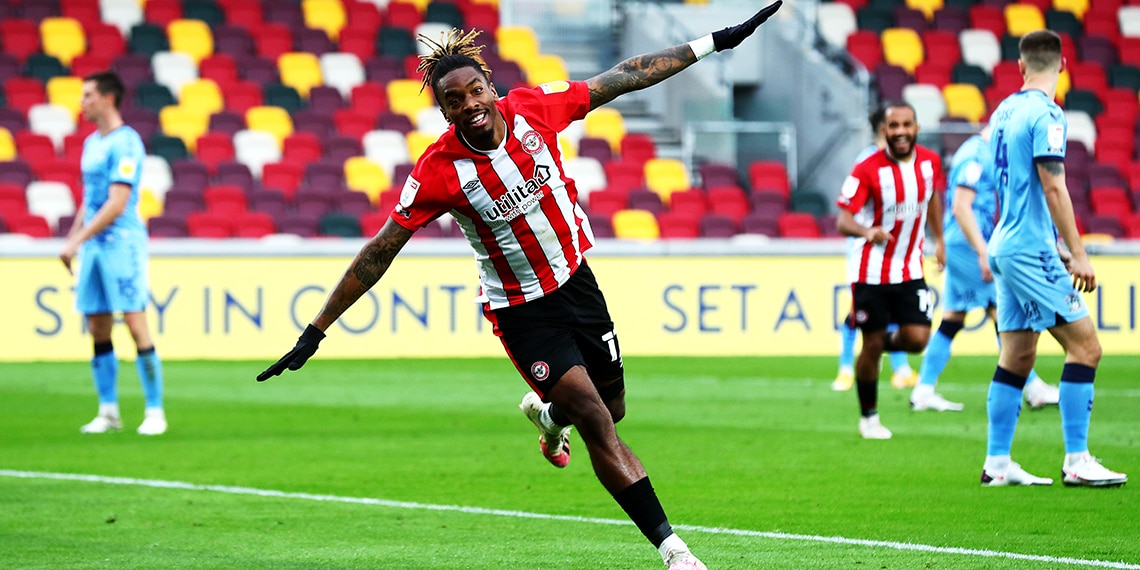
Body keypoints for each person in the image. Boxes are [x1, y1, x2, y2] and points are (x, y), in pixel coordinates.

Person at [257, 5, 782, 568]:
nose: (469, 105)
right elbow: (379, 251)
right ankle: (675, 552)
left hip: (578, 282)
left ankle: (548, 416)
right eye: (453, 101)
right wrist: (315, 331)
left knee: (612, 408)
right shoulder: (438, 172)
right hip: (522, 310)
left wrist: (715, 42)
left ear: (490, 86)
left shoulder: (536, 108)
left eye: (475, 90)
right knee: (597, 421)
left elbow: (627, 74)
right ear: (443, 110)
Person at [979, 29, 1125, 487]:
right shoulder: (1048, 115)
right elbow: (1052, 184)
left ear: (1020, 67)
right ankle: (1077, 460)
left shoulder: (1003, 111)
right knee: (1086, 347)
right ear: (1063, 66)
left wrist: (1052, 241)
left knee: (1018, 355)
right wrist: (1077, 253)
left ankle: (997, 464)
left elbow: (1010, 184)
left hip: (1006, 242)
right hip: (1027, 248)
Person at [910, 125, 1059, 412]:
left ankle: (923, 389)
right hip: (969, 245)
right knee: (1004, 313)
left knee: (953, 320)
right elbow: (961, 207)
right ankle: (1033, 386)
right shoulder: (976, 156)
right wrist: (981, 250)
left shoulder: (981, 152)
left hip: (962, 243)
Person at [61, 71, 166, 436]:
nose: (82, 101)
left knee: (135, 322)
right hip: (93, 245)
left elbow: (118, 203)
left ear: (108, 98)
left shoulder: (127, 143)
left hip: (123, 243)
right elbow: (91, 201)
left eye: (87, 94)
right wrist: (73, 239)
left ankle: (155, 410)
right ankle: (108, 411)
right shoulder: (92, 143)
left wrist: (77, 240)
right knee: (97, 325)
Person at [835, 101, 945, 440]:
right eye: (893, 126)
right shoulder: (867, 168)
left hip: (910, 267)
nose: (900, 131)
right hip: (871, 271)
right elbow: (843, 220)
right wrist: (868, 232)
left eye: (906, 125)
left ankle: (873, 344)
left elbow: (931, 198)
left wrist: (939, 239)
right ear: (884, 130)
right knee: (871, 345)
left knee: (917, 339)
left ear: (916, 128)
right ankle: (869, 418)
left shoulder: (930, 162)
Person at [833, 106, 918, 393]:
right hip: (865, 251)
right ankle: (845, 368)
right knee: (857, 312)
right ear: (884, 129)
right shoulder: (867, 160)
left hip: (895, 252)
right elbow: (850, 209)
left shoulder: (902, 162)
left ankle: (901, 369)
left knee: (893, 312)